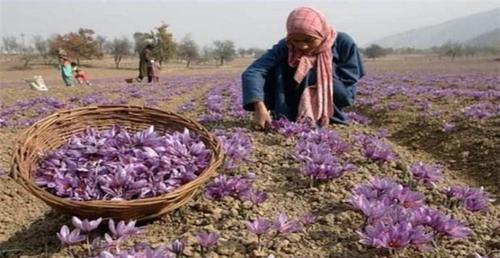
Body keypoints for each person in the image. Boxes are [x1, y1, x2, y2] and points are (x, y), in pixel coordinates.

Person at [242, 6, 365, 129]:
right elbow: (255, 71)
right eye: (296, 40)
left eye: (309, 40)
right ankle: (285, 113)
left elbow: (350, 77)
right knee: (277, 67)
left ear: (321, 33)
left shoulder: (342, 42)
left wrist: (320, 78)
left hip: (335, 93)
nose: (302, 46)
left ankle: (326, 115)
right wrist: (259, 105)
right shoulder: (286, 45)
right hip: (293, 96)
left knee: (308, 68)